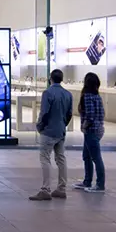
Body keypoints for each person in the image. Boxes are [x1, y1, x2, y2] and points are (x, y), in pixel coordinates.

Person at [29, 68, 73, 201]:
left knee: (45, 158)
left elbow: (44, 112)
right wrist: (63, 124)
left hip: (48, 131)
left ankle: (45, 189)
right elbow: (69, 113)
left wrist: (40, 126)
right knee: (61, 158)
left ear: (50, 79)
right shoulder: (68, 94)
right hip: (60, 130)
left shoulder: (47, 93)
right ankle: (61, 188)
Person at [73, 72, 106, 193]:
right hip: (98, 129)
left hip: (90, 130)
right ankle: (87, 181)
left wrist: (84, 126)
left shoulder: (86, 96)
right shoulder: (97, 96)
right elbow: (101, 114)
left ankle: (100, 184)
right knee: (87, 156)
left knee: (96, 158)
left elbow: (90, 115)